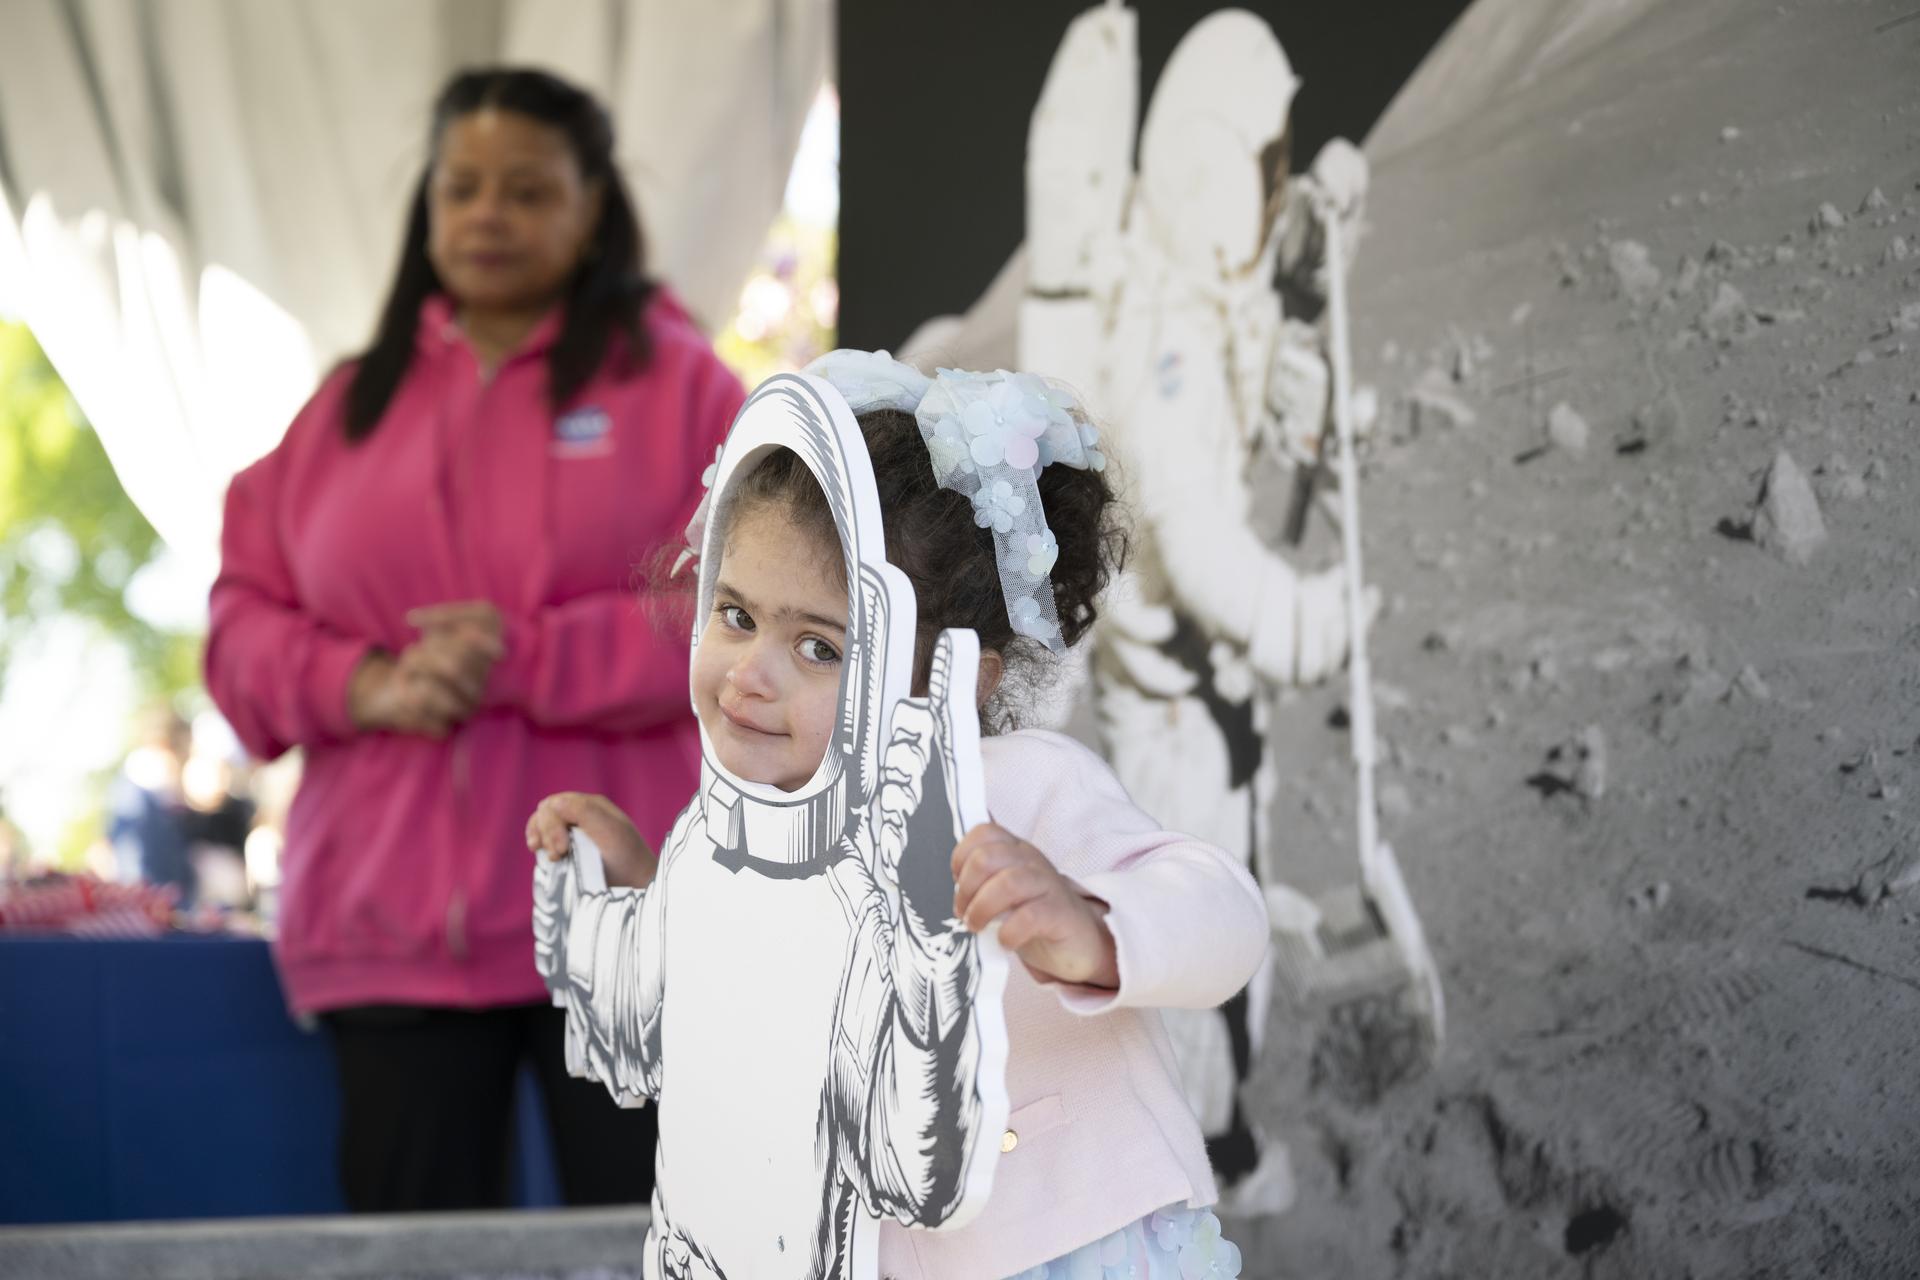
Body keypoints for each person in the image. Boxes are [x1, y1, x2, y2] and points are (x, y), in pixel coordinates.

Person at [526, 352, 1262, 1277]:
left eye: (819, 648)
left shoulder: (1013, 787)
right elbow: (716, 1011)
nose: (751, 674)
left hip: (1069, 1243)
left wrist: (1092, 929)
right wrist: (640, 891)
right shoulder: (733, 831)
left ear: (958, 678)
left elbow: (1226, 916)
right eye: (737, 616)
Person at [204, 67, 745, 1212]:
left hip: (628, 912)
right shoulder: (343, 409)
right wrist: (362, 684)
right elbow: (240, 625)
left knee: (667, 1242)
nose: (489, 214)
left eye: (527, 190)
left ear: (593, 209)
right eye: (462, 189)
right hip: (387, 930)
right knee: (417, 1254)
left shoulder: (687, 389)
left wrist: (528, 656)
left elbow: (751, 615)